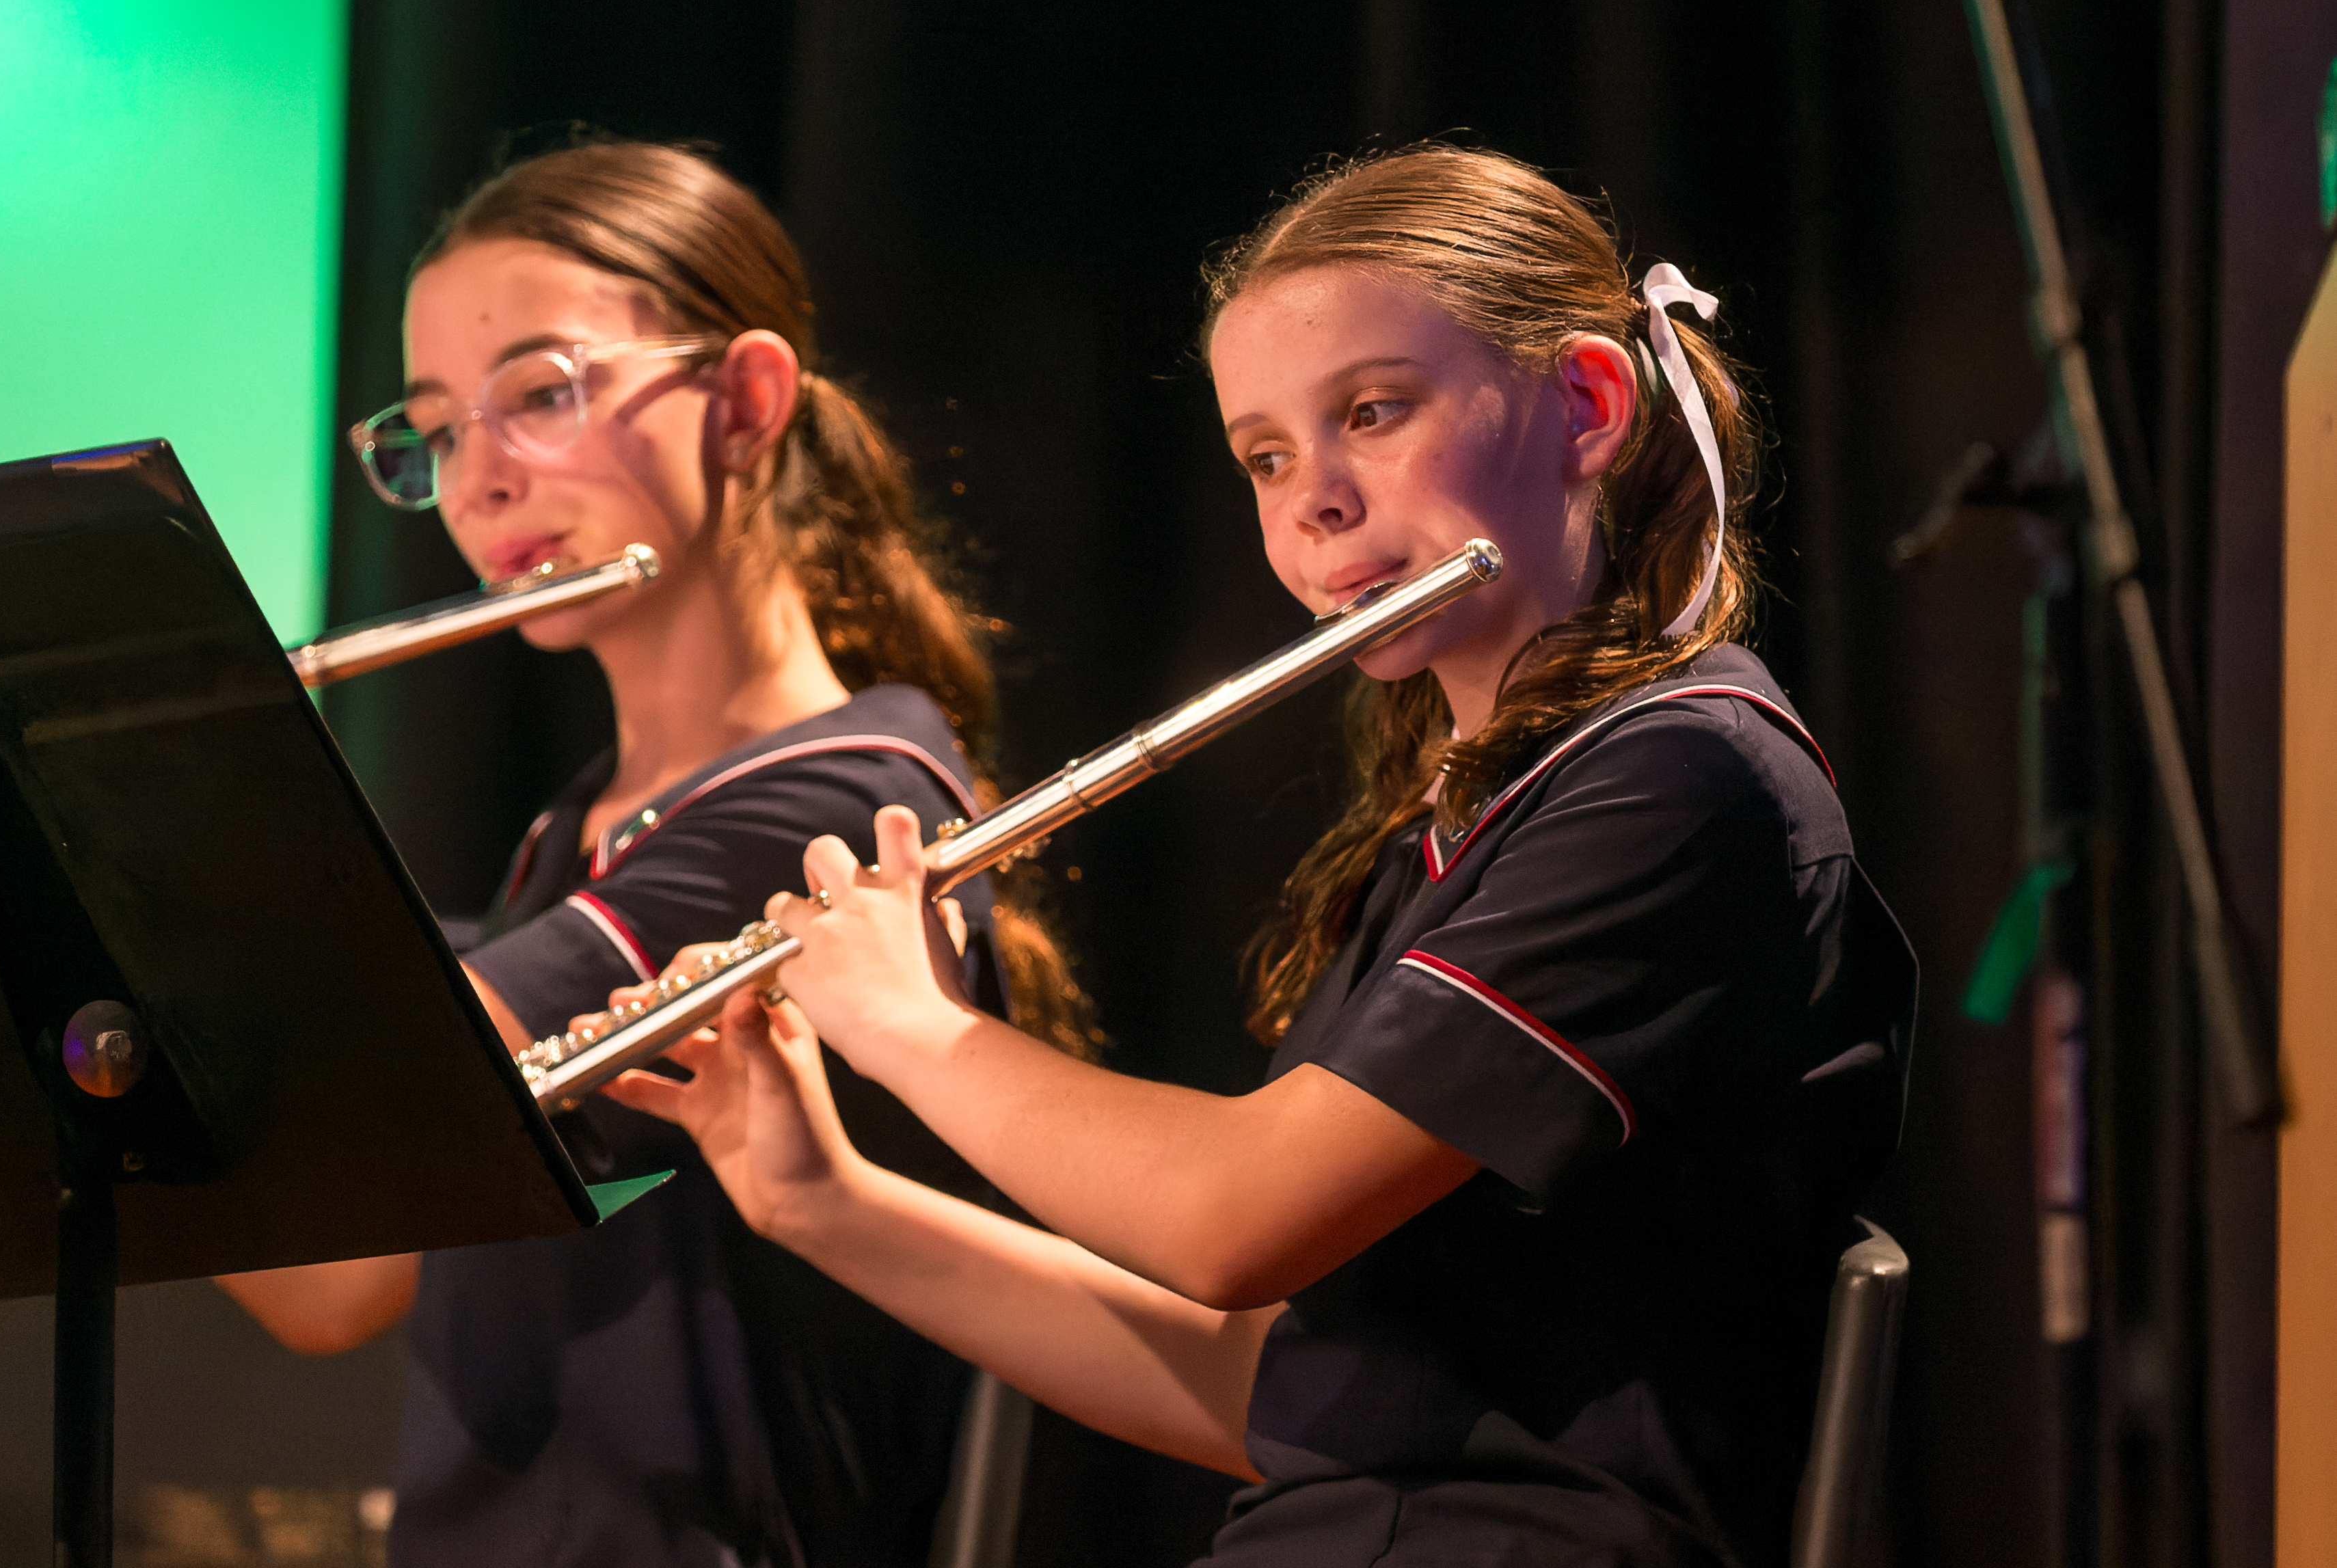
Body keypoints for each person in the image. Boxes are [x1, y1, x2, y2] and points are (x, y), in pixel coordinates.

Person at [604, 144, 1917, 1568]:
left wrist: (916, 1028)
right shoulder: (1456, 824)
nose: (1315, 501)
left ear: (1588, 406)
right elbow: (1274, 1388)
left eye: (1374, 411)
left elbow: (1233, 1222)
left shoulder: (1683, 779)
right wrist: (820, 1201)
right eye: (1267, 455)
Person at [217, 139, 1091, 1568]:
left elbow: (361, 1188)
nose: (478, 482)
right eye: (437, 431)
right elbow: (336, 1289)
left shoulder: (831, 805)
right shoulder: (578, 831)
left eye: (543, 395)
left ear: (744, 402)